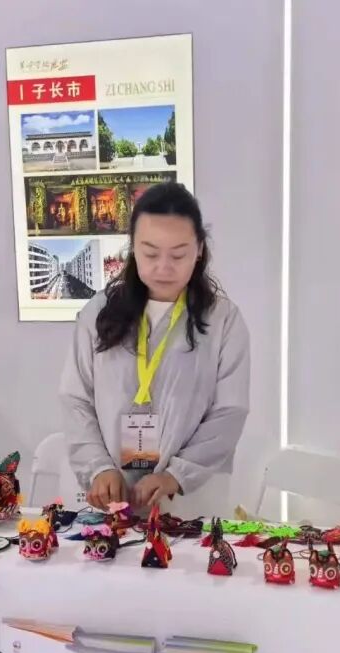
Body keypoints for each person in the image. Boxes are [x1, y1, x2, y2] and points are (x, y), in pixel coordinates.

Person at [59, 182, 250, 510]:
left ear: (199, 249)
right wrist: (99, 467)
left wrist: (177, 475)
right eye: (150, 253)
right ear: (133, 247)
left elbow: (229, 411)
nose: (163, 267)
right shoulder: (99, 313)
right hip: (114, 491)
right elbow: (76, 398)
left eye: (178, 254)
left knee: (189, 543)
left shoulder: (223, 320)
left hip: (189, 495)